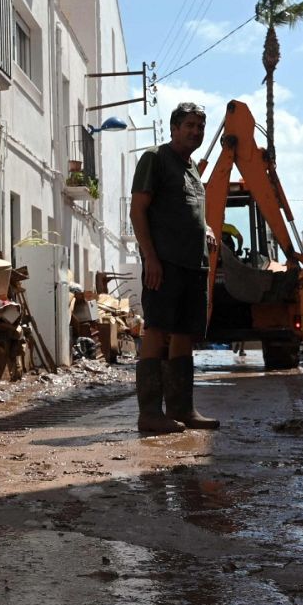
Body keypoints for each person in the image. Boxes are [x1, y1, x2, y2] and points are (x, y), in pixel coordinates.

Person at [129, 103, 221, 435]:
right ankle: (150, 414)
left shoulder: (193, 169)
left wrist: (207, 229)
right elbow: (138, 210)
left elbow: (191, 211)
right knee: (157, 330)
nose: (196, 131)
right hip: (164, 264)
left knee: (184, 335)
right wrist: (150, 258)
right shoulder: (155, 158)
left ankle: (182, 409)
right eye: (190, 125)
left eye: (200, 126)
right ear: (174, 127)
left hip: (194, 266)